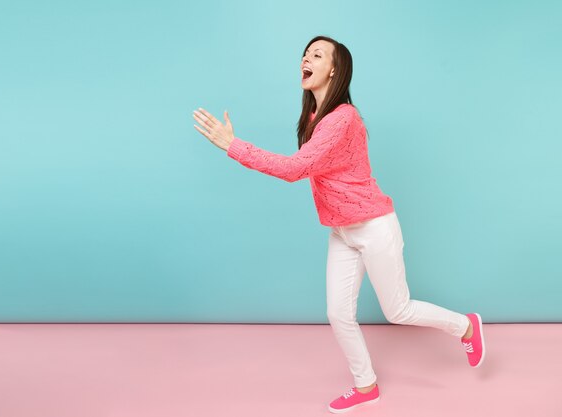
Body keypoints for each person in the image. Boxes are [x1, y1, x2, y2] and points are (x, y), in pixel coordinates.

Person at [192, 35, 486, 414]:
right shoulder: (315, 117)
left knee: (397, 310)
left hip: (375, 226)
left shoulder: (343, 118)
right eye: (304, 53)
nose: (305, 58)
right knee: (338, 313)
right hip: (343, 230)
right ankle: (366, 385)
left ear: (334, 68)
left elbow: (294, 169)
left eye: (317, 54)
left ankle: (465, 326)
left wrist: (233, 145)